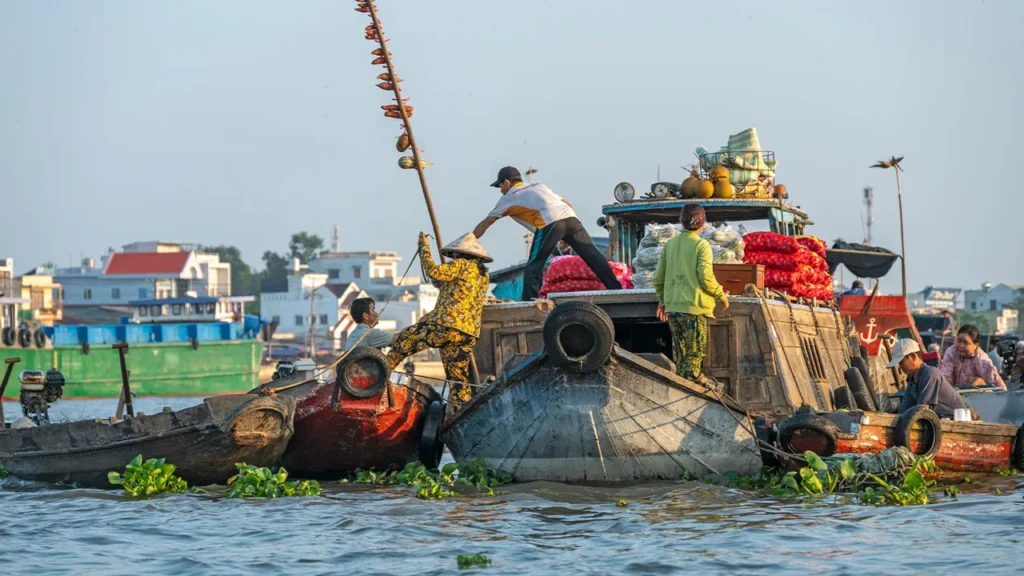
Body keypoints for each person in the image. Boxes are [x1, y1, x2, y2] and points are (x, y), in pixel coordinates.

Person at [472, 166, 621, 301]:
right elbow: (567, 203)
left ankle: (528, 303)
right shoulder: (538, 186)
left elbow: (486, 223)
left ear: (506, 182)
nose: (500, 190)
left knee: (533, 265)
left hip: (550, 222)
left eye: (500, 186)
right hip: (571, 218)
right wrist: (565, 235)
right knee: (593, 255)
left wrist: (469, 240)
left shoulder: (508, 197)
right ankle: (616, 289)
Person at [385, 232, 491, 415]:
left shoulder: (462, 266)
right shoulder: (482, 277)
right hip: (467, 334)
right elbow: (455, 300)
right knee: (458, 380)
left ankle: (377, 379)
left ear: (459, 254)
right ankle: (461, 415)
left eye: (455, 256)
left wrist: (424, 248)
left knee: (403, 342)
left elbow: (433, 271)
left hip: (447, 326)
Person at [653, 203, 729, 387]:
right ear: (703, 223)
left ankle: (680, 387)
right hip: (693, 310)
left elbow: (658, 278)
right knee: (693, 358)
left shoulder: (670, 245)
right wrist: (721, 295)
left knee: (681, 357)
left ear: (680, 221)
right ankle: (687, 392)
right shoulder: (701, 245)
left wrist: (663, 301)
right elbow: (705, 276)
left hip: (673, 312)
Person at [888, 338, 970, 419]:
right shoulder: (912, 380)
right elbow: (904, 410)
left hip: (954, 420)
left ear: (913, 356)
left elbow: (922, 409)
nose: (900, 366)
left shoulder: (930, 374)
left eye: (901, 362)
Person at [941, 325, 1006, 389]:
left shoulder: (981, 359)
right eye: (959, 341)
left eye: (966, 343)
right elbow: (946, 378)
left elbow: (998, 384)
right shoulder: (951, 352)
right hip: (953, 394)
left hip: (974, 396)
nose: (961, 345)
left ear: (976, 345)